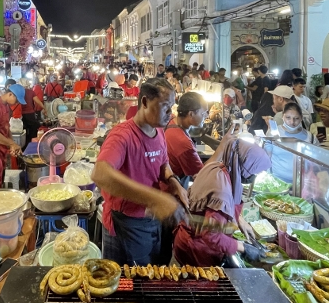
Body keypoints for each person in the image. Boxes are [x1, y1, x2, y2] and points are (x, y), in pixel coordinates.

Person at [93, 78, 189, 266]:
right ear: (145, 102)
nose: (170, 113)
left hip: (151, 220)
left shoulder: (158, 132)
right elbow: (100, 174)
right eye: (165, 107)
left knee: (152, 270)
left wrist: (174, 182)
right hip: (126, 223)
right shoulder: (122, 136)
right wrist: (156, 199)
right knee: (129, 277)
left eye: (171, 107)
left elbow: (163, 163)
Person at [173, 134, 270, 267]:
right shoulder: (222, 189)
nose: (254, 176)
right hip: (197, 250)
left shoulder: (217, 167)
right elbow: (211, 236)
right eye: (255, 172)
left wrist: (240, 221)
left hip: (185, 239)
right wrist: (242, 247)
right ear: (246, 166)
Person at [268, 102, 319, 183]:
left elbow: (316, 162)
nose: (292, 122)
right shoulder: (273, 133)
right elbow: (266, 156)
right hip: (276, 181)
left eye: (296, 118)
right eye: (288, 117)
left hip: (302, 183)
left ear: (301, 118)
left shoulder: (310, 138)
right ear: (282, 116)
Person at [164, 92, 207, 179]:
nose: (207, 116)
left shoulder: (172, 120)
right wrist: (222, 147)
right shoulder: (182, 141)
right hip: (174, 186)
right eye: (204, 113)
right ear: (191, 114)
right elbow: (202, 174)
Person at [0, 84, 25, 161]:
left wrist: (12, 144)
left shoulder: (7, 106)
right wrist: (11, 144)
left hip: (3, 148)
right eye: (17, 100)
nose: (17, 103)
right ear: (10, 94)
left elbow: (7, 127)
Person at [20, 77, 45, 144]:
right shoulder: (31, 92)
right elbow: (38, 101)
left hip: (21, 115)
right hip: (30, 114)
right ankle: (32, 144)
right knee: (33, 130)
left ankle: (25, 144)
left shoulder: (18, 93)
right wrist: (44, 108)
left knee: (23, 131)